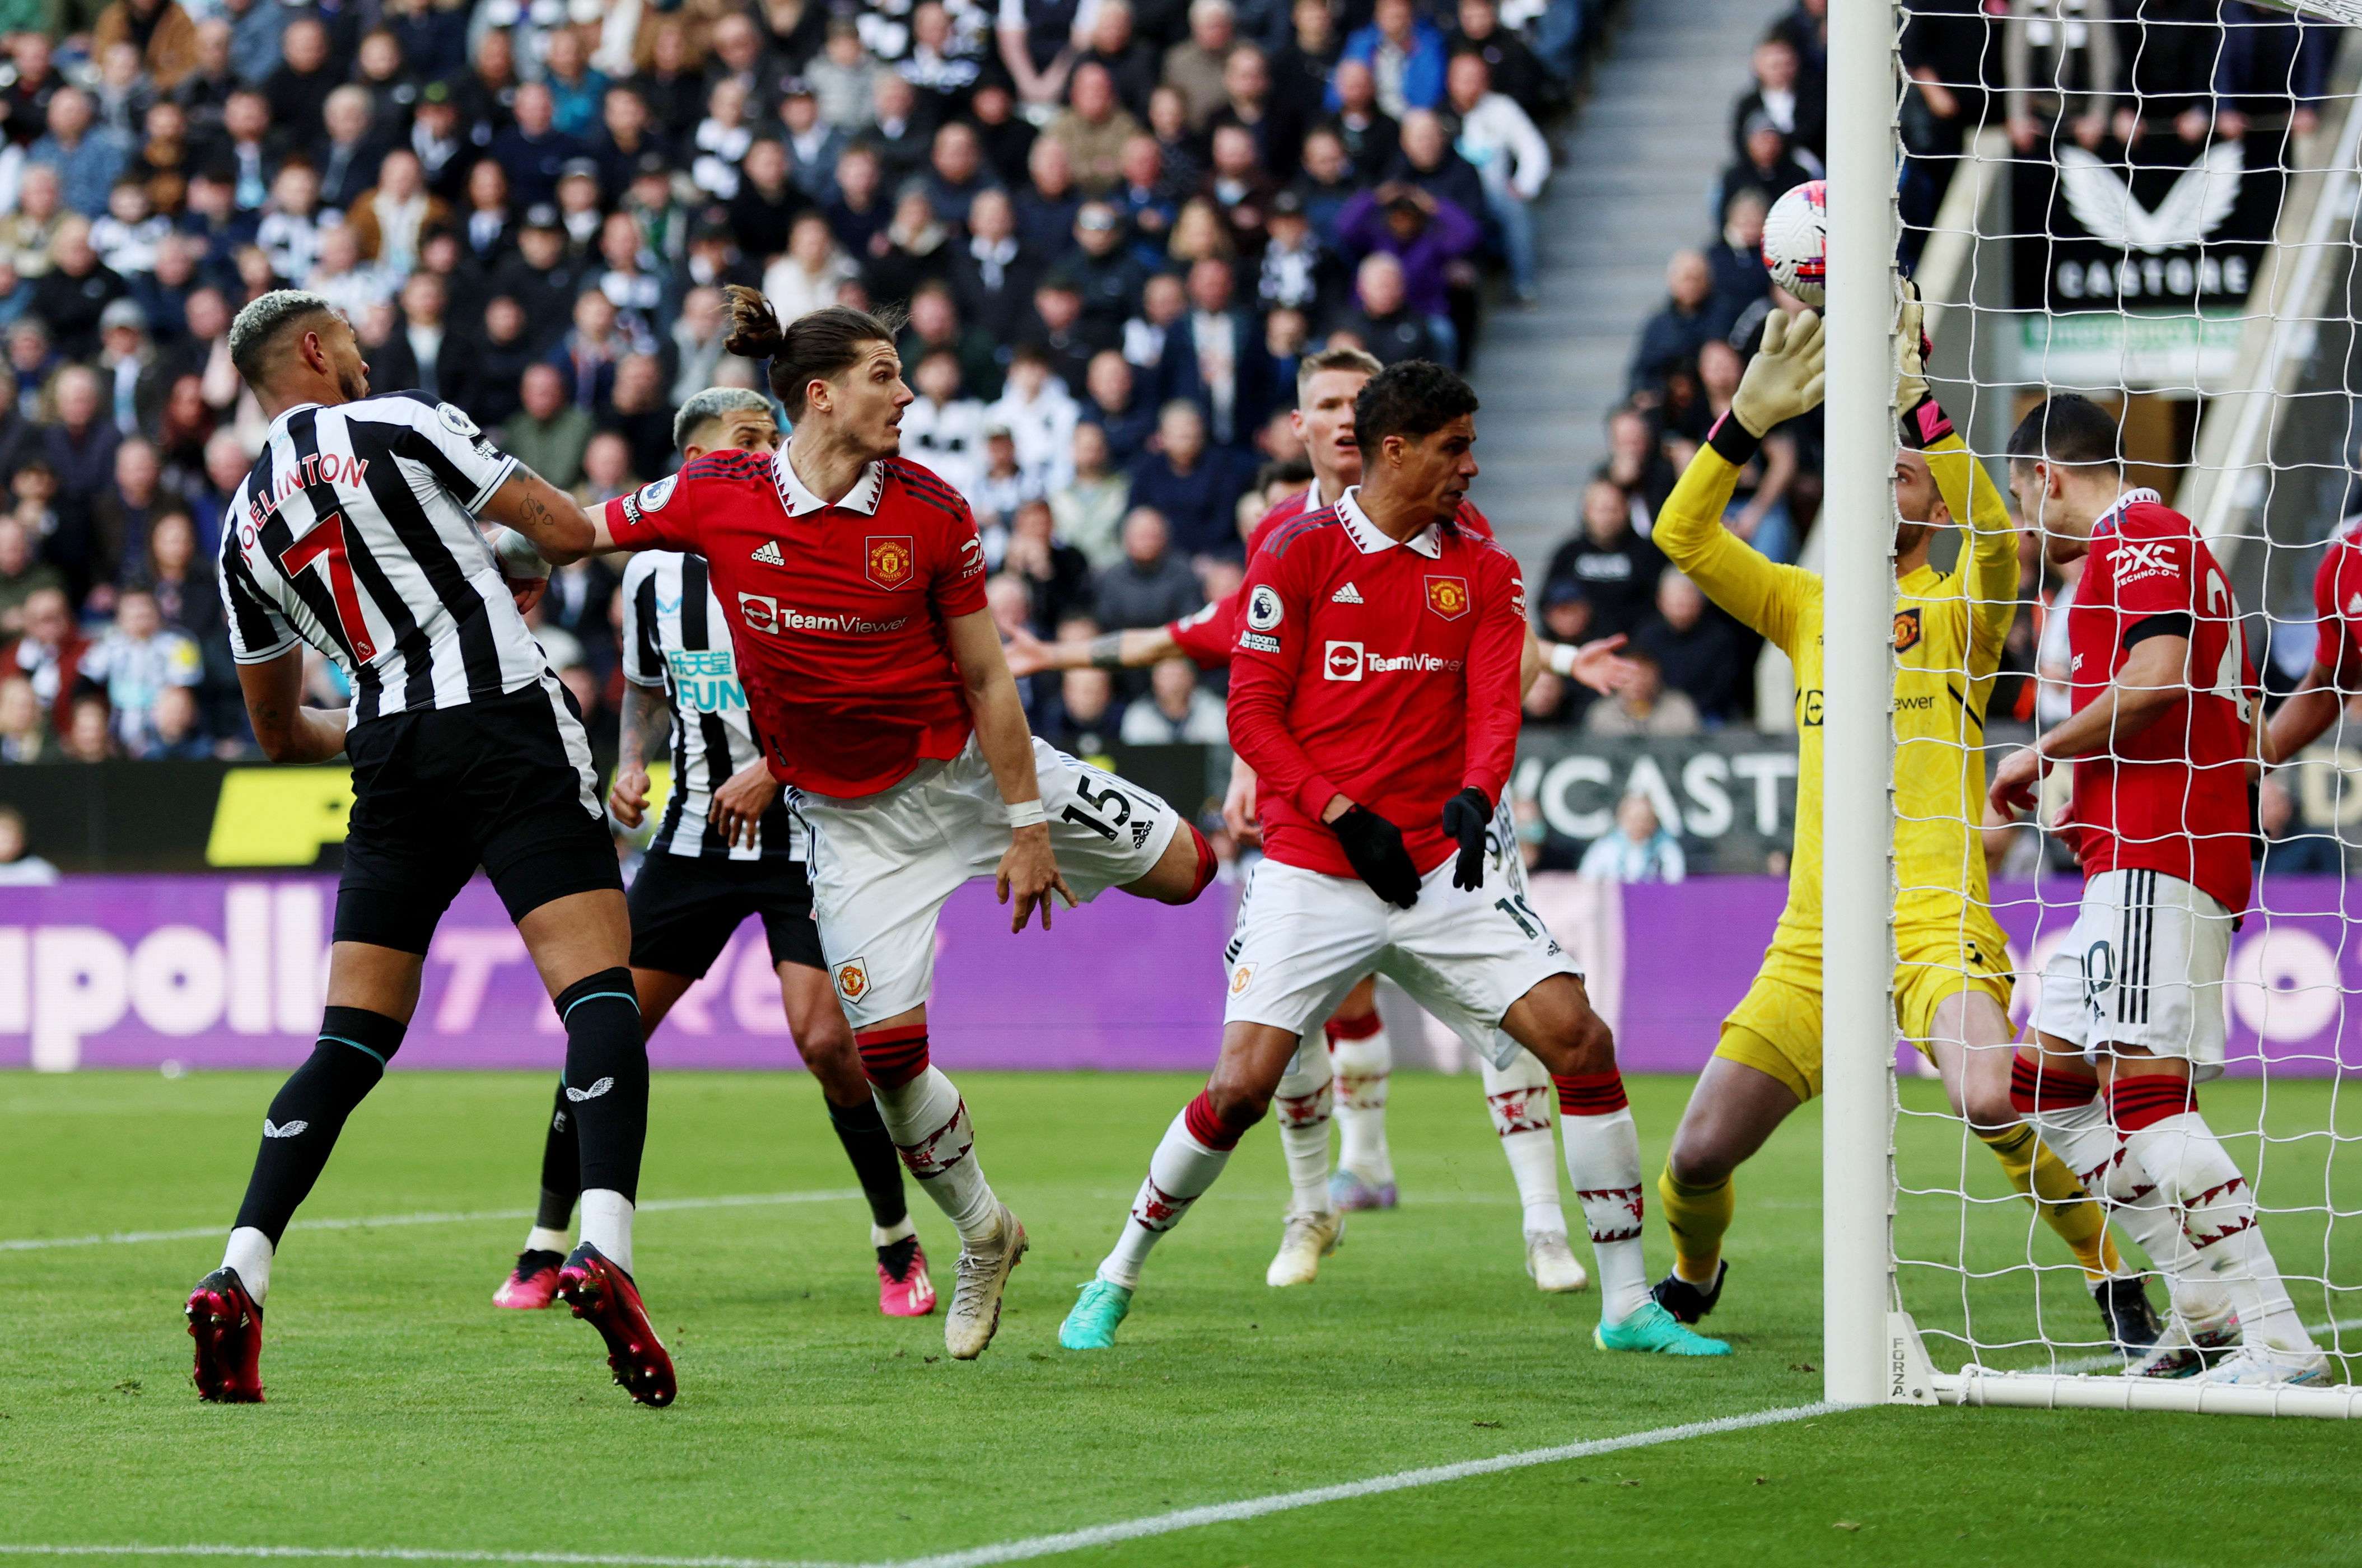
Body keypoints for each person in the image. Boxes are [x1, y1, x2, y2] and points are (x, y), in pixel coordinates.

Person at [543, 288, 1219, 1361]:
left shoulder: (930, 509)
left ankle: (1304, 995)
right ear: (820, 396)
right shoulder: (714, 491)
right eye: (884, 377)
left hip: (966, 775)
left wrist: (1028, 822)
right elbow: (580, 528)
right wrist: (474, 496)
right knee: (885, 1055)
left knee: (1191, 870)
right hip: (850, 828)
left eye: (903, 375)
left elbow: (990, 679)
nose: (908, 394)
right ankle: (983, 1234)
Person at [1058, 360, 1721, 1356]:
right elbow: (1251, 713)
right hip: (1313, 868)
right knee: (1240, 1089)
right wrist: (1337, 812)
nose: (1472, 465)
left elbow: (1496, 708)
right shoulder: (1296, 554)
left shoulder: (1486, 570)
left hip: (1438, 871)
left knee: (1578, 1040)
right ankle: (1115, 1273)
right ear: (1396, 449)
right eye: (1455, 446)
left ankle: (1623, 1303)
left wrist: (1475, 795)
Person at [1649, 304, 2163, 1366]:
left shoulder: (1966, 609)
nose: (1884, 480)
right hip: (1813, 945)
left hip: (1937, 923)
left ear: (1928, 504)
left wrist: (1913, 400)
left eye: (1904, 472)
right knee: (1697, 1156)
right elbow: (1679, 537)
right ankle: (1695, 1275)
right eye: (1871, 466)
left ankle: (2110, 1271)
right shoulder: (1805, 606)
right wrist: (1740, 425)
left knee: (1986, 1096)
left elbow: (1993, 531)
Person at [188, 290, 674, 1408]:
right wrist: (695, 502)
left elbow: (274, 731)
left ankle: (241, 1267)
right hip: (502, 717)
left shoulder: (240, 528)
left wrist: (370, 726)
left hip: (388, 756)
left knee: (350, 1036)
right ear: (313, 349)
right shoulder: (402, 422)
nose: (367, 355)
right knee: (600, 991)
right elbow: (564, 531)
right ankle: (603, 1244)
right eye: (352, 341)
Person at [493, 388, 933, 1323]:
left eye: (774, 440)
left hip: (805, 839)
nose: (770, 454)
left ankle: (896, 1242)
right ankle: (543, 1240)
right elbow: (646, 688)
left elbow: (851, 703)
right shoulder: (649, 579)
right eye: (749, 441)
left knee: (826, 1043)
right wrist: (628, 764)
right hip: (691, 842)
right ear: (693, 465)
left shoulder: (803, 558)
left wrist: (775, 772)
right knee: (602, 1032)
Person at [1990, 392, 2323, 1388]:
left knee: (2140, 1096)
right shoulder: (2125, 552)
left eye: (2018, 497)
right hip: (2126, 848)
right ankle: (2204, 1305)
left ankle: (2276, 1337)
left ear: (2047, 476)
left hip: (2158, 846)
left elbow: (2159, 676)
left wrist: (2039, 754)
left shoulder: (2137, 531)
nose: (2020, 522)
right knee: (2043, 1090)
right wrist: (2075, 784)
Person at [1578, 792, 1685, 884]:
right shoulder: (1605, 847)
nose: (1639, 825)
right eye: (1633, 819)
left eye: (1645, 819)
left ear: (1654, 822)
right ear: (1621, 819)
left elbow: (1675, 882)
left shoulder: (1666, 847)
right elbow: (1587, 881)